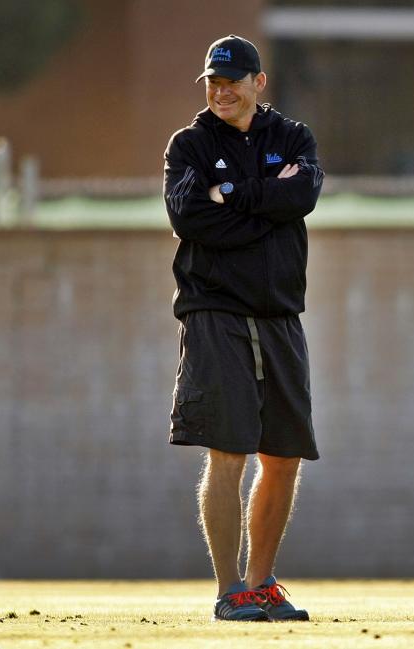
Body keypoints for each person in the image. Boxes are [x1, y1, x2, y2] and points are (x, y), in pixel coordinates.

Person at [163, 34, 324, 622]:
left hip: (280, 311)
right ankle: (230, 591)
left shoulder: (294, 138)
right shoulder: (189, 145)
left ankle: (260, 584)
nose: (221, 90)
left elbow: (301, 194)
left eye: (233, 80)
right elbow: (189, 217)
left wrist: (230, 195)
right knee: (228, 449)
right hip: (215, 311)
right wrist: (266, 201)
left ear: (259, 82)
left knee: (283, 455)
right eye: (213, 80)